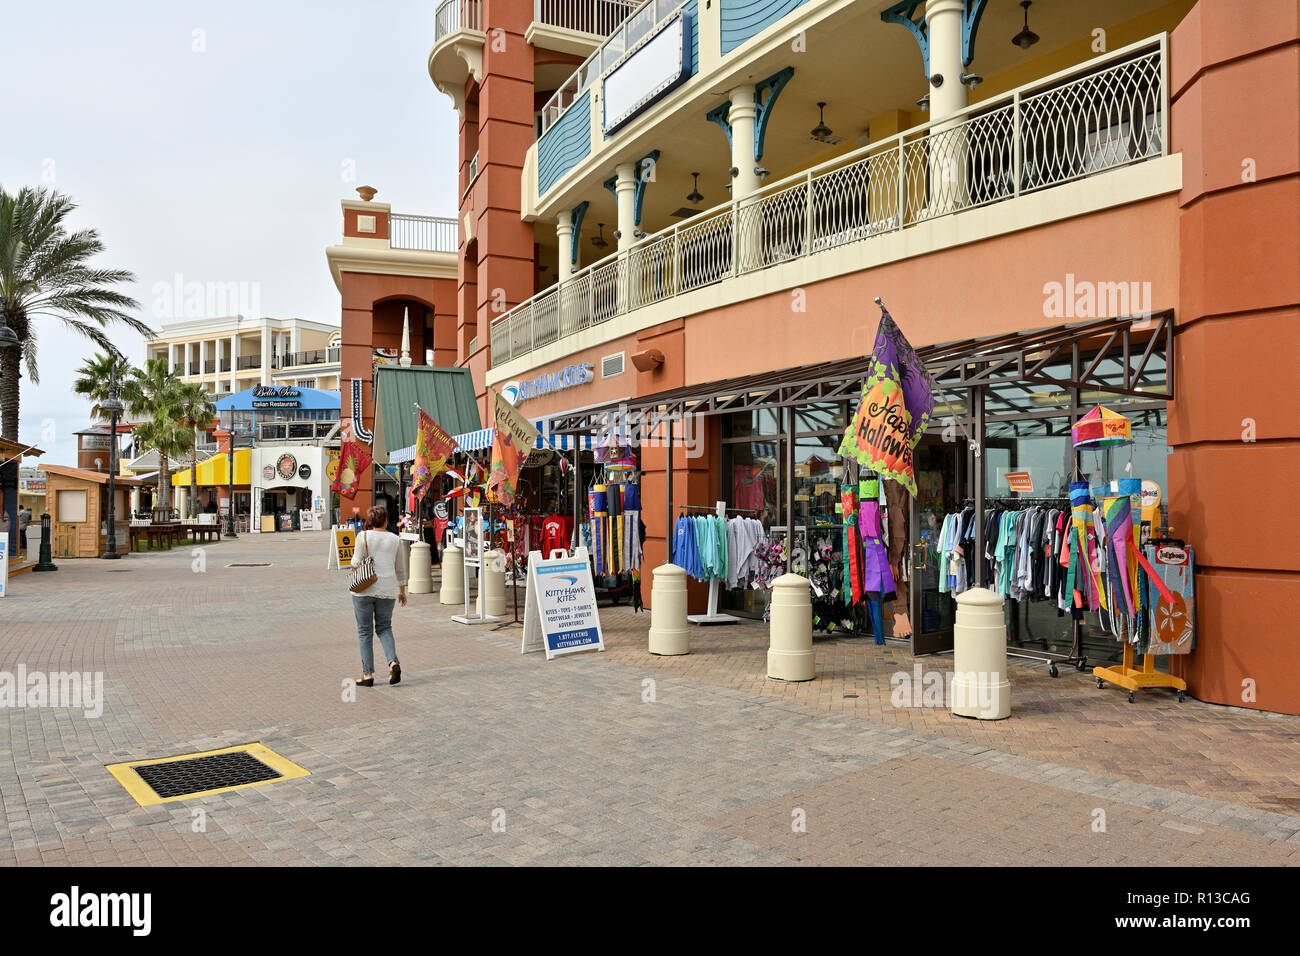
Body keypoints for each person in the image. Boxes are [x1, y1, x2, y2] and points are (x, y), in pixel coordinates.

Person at [348, 504, 406, 687]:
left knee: (365, 632)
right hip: (387, 589)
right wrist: (402, 590)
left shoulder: (363, 536)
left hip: (364, 589)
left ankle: (368, 675)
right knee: (384, 628)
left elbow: (356, 562)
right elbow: (400, 568)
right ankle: (393, 662)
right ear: (386, 520)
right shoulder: (395, 539)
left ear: (370, 521)